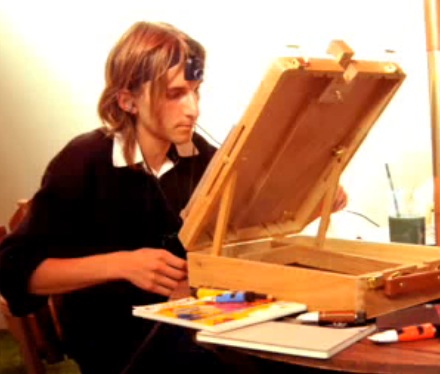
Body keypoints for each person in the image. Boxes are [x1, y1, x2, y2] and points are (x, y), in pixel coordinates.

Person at [0, 21, 348, 374]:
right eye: (175, 94)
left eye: (196, 91)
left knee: (306, 351)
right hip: (119, 340)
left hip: (194, 319)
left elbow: (243, 216)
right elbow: (13, 270)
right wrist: (123, 264)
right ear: (127, 100)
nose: (193, 109)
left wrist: (309, 199)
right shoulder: (85, 160)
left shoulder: (195, 153)